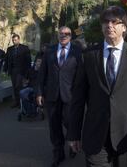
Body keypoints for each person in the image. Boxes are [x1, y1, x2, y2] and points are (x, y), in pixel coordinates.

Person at [67, 6, 127, 167]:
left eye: (115, 22)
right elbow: (78, 98)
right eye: (106, 22)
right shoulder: (89, 56)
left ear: (124, 28)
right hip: (95, 135)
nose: (109, 25)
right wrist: (73, 133)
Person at [36, 26, 82, 167]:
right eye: (61, 33)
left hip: (70, 96)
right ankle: (58, 153)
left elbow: (81, 76)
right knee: (54, 126)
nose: (63, 35)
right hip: (52, 96)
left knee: (69, 123)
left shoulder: (77, 51)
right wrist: (39, 93)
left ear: (71, 36)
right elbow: (42, 73)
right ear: (58, 35)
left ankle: (72, 143)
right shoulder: (49, 51)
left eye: (67, 33)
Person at [3, 34, 31, 108]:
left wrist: (28, 72)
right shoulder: (9, 49)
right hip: (13, 70)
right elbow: (6, 60)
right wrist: (5, 70)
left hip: (21, 71)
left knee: (19, 86)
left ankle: (21, 103)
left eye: (15, 40)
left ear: (19, 40)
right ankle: (17, 102)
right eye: (13, 40)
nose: (14, 41)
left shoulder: (25, 48)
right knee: (14, 87)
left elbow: (28, 61)